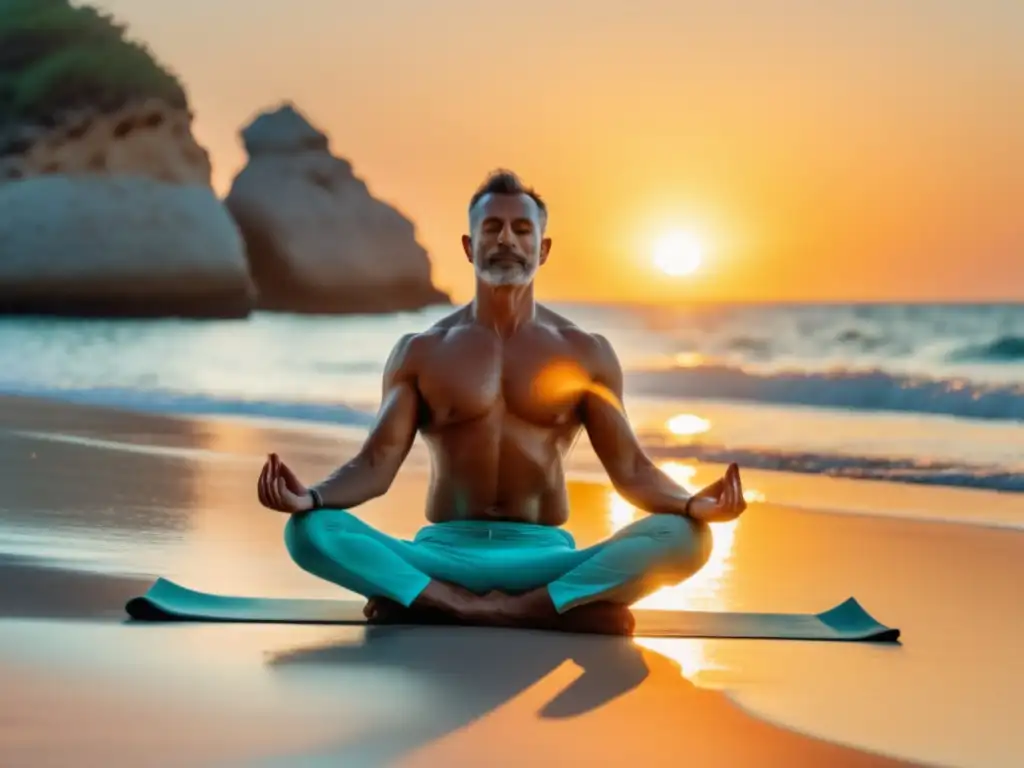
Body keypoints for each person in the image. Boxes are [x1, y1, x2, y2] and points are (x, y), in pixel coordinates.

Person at [256, 169, 748, 634]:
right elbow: (376, 463)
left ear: (544, 247)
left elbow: (632, 471)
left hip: (545, 556)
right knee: (309, 531)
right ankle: (541, 607)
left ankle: (446, 604)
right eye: (491, 228)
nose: (506, 240)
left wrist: (690, 503)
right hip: (442, 554)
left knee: (687, 538)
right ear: (470, 247)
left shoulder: (585, 352)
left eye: (521, 229)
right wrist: (312, 498)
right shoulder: (421, 351)